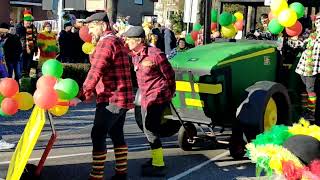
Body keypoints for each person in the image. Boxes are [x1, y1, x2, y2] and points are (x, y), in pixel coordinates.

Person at [70, 12, 134, 180]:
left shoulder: (106, 43)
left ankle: (96, 176)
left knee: (98, 134)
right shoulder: (117, 40)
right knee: (116, 134)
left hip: (111, 98)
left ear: (103, 25)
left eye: (92, 27)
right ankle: (121, 173)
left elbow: (95, 71)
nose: (89, 31)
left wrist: (82, 96)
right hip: (122, 98)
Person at [123, 26, 176, 176]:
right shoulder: (134, 54)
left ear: (139, 40)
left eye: (129, 39)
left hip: (158, 96)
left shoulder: (155, 54)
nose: (127, 41)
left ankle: (159, 165)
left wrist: (170, 92)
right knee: (147, 129)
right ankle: (155, 158)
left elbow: (169, 75)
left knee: (150, 128)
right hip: (146, 97)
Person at [16, 9, 38, 76]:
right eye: (27, 21)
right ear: (24, 20)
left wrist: (36, 48)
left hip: (31, 48)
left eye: (30, 21)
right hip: (22, 48)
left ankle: (27, 75)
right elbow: (20, 37)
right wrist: (25, 28)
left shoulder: (33, 28)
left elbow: (35, 38)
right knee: (23, 64)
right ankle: (22, 76)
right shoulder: (19, 27)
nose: (29, 22)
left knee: (29, 64)